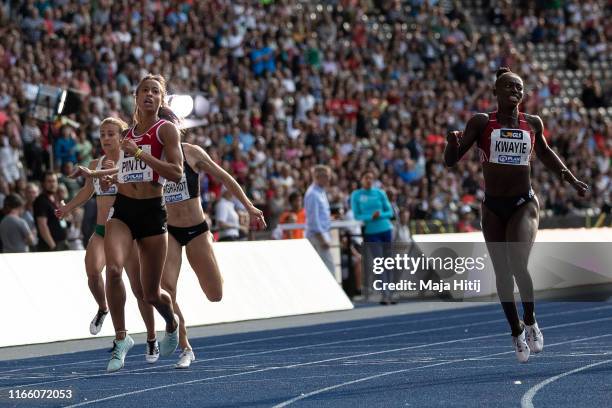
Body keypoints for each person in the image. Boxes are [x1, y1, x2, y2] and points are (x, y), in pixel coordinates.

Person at [443, 67, 589, 363]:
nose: (515, 91)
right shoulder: (482, 122)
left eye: (519, 88)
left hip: (524, 203)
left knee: (518, 262)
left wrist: (570, 179)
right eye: (509, 86)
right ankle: (516, 330)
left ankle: (532, 319)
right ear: (495, 92)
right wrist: (451, 144)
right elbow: (451, 161)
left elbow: (546, 153)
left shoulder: (532, 123)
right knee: (502, 273)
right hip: (493, 206)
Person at [74, 74, 183, 372]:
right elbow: (121, 171)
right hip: (123, 210)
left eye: (155, 92)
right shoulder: (126, 137)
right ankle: (121, 338)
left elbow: (176, 173)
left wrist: (139, 155)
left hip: (152, 212)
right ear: (135, 97)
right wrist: (96, 175)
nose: (149, 95)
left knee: (150, 293)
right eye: (144, 90)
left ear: (161, 100)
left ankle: (170, 321)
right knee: (112, 269)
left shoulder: (166, 131)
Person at [56, 117, 158, 364]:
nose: (106, 138)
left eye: (111, 133)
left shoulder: (132, 160)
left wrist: (108, 176)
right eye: (102, 134)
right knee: (93, 272)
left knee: (139, 289)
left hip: (127, 232)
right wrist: (66, 208)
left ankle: (152, 337)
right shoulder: (95, 163)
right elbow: (86, 191)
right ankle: (103, 308)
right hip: (102, 231)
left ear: (123, 137)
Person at [161, 142, 265, 368]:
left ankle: (214, 264)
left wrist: (248, 206)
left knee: (215, 293)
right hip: (168, 231)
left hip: (197, 229)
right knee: (166, 289)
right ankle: (184, 344)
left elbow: (225, 178)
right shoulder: (149, 156)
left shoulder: (191, 152)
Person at [350, 171, 395, 304]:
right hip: (371, 232)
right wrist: (370, 217)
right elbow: (357, 215)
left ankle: (391, 292)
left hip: (386, 229)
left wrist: (379, 215)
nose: (369, 180)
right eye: (366, 178)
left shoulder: (380, 193)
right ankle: (384, 294)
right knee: (379, 262)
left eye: (371, 178)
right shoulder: (357, 195)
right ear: (362, 180)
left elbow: (390, 212)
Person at [304, 165, 334, 275]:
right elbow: (313, 220)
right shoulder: (313, 194)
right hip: (317, 237)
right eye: (326, 176)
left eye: (329, 176)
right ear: (317, 177)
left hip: (322, 234)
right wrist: (322, 239)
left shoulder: (320, 191)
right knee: (329, 270)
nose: (328, 179)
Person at [33, 171, 68, 251]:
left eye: (54, 181)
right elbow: (42, 226)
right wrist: (53, 246)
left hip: (61, 243)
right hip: (49, 247)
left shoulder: (55, 198)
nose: (52, 184)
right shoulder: (41, 201)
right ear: (43, 183)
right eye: (49, 181)